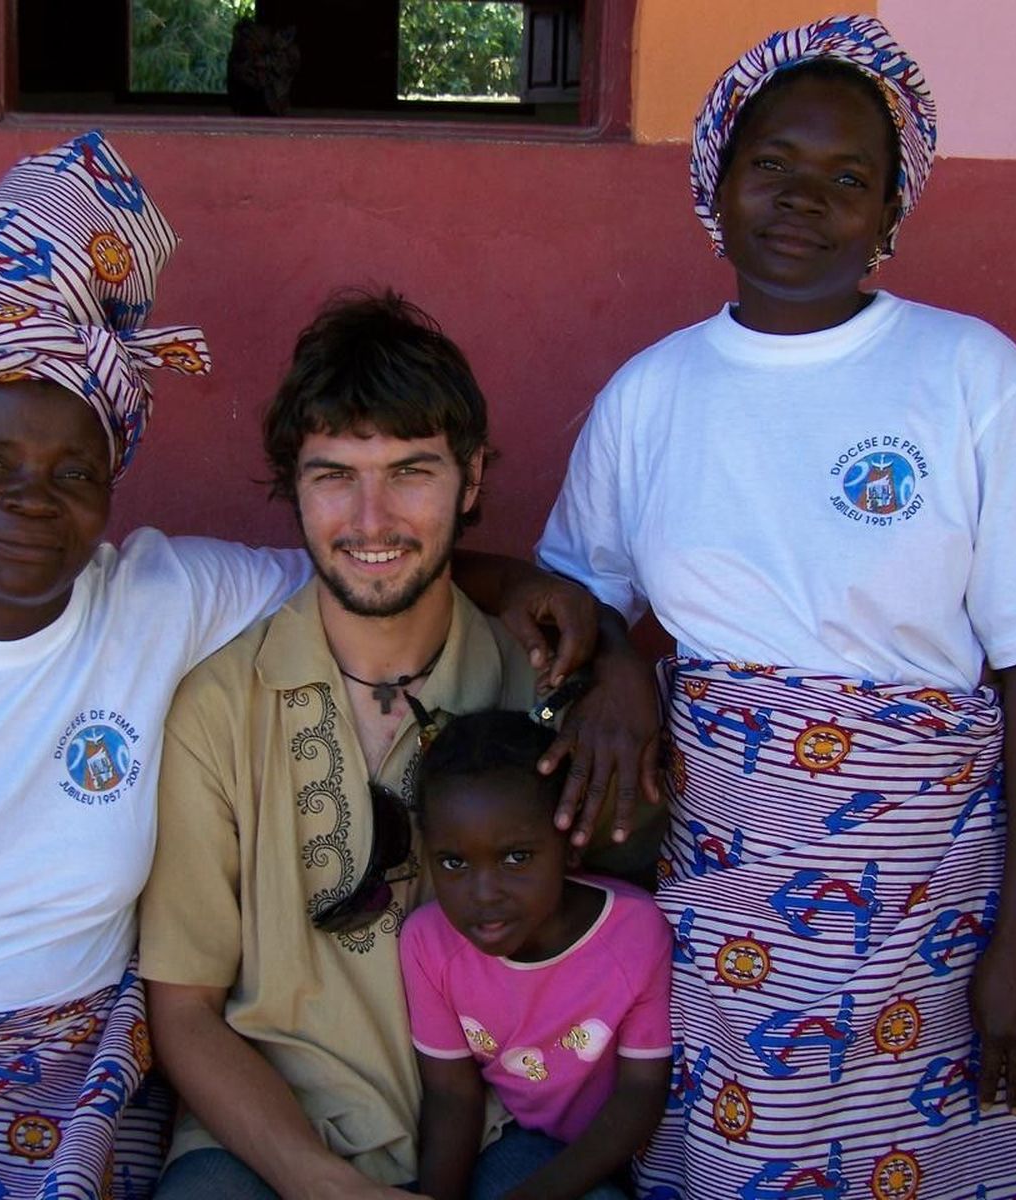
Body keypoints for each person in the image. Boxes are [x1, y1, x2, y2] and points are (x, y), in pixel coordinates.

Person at [0, 136, 622, 1200]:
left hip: (64, 1089)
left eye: (74, 469)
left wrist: (587, 634)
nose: (31, 501)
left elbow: (376, 562)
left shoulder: (162, 602)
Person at [536, 16, 1016, 1200]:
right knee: (734, 1162)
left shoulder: (970, 375)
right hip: (728, 899)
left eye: (845, 178)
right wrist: (613, 662)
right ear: (716, 176)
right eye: (771, 165)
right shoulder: (651, 395)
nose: (801, 200)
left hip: (943, 902)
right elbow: (572, 594)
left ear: (889, 213)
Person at [138, 290, 658, 1199]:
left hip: (505, 1121)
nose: (372, 518)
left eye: (412, 471)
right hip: (274, 1136)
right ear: (290, 484)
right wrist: (311, 1178)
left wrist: (614, 663)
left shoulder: (541, 692)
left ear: (474, 479)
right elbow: (184, 1007)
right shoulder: (221, 706)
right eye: (334, 474)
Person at [401, 710, 671, 1200]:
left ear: (569, 847)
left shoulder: (635, 933)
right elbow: (452, 1095)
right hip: (514, 1142)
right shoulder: (428, 943)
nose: (484, 893)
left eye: (516, 857)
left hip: (622, 1158)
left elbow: (641, 1092)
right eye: (454, 862)